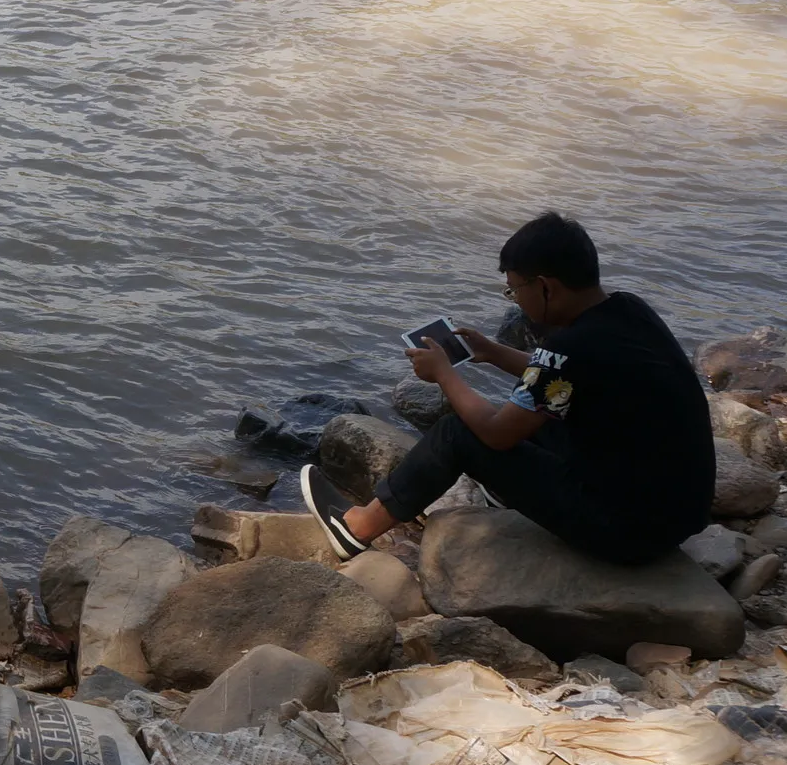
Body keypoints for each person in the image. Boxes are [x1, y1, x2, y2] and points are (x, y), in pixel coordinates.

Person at [302, 211, 714, 566]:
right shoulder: (628, 310)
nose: (515, 300)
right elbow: (566, 379)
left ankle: (357, 528)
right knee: (540, 410)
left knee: (458, 432)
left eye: (515, 289)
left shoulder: (569, 348)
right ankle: (508, 491)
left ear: (546, 286)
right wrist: (492, 352)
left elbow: (498, 433)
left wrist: (445, 374)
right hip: (673, 516)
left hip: (625, 532)